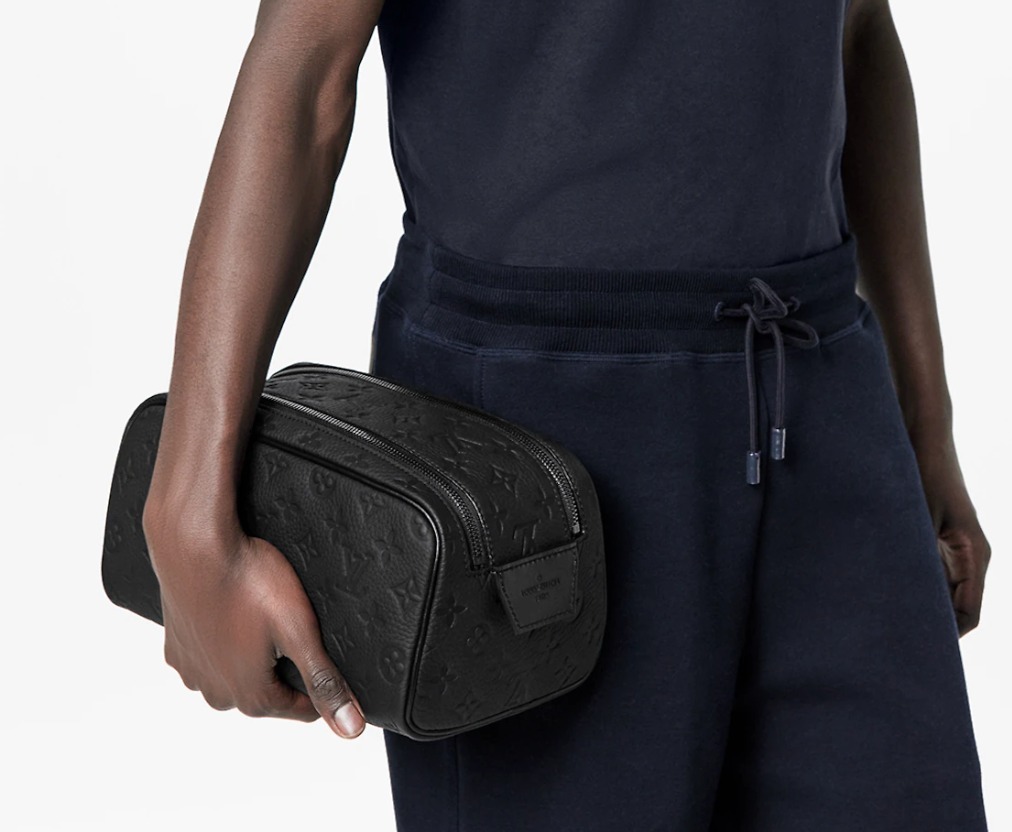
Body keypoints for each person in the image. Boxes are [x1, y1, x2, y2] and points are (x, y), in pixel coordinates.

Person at [142, 0, 991, 829]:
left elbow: (858, 27)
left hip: (821, 386)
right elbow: (305, 68)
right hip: (531, 441)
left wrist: (928, 428)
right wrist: (186, 510)